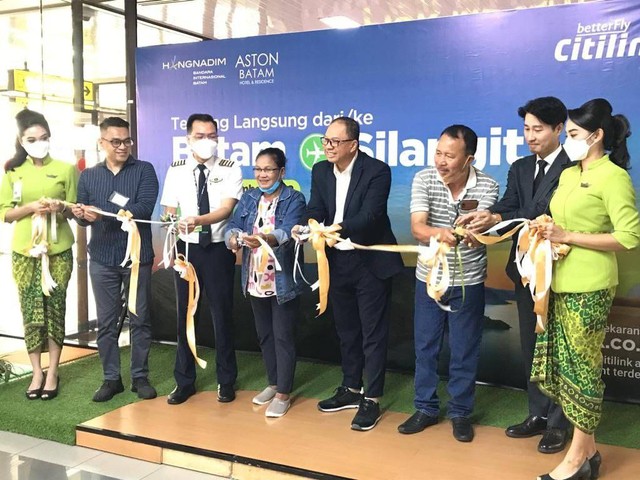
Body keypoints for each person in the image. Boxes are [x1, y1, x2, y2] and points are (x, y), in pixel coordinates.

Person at [532, 99, 639, 480]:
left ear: (596, 136)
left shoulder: (614, 177)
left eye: (574, 134)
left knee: (583, 370)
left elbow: (630, 236)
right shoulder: (567, 174)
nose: (569, 140)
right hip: (557, 282)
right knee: (564, 368)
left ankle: (576, 459)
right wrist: (548, 228)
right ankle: (589, 452)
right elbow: (563, 220)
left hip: (591, 286)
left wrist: (569, 235)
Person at [457, 97, 572, 453]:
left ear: (558, 129)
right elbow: (510, 207)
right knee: (531, 346)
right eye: (526, 129)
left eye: (538, 129)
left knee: (557, 349)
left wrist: (502, 217)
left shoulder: (575, 167)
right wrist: (488, 217)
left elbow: (543, 211)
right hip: (524, 269)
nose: (531, 136)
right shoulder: (520, 167)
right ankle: (537, 413)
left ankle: (559, 422)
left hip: (560, 271)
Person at [292, 116, 404, 431]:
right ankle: (351, 388)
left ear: (352, 145)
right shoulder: (320, 170)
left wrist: (333, 228)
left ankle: (373, 398)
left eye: (334, 142)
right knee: (346, 331)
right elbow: (315, 207)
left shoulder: (377, 170)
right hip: (336, 262)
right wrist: (309, 225)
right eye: (325, 140)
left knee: (372, 333)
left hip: (369, 260)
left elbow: (370, 216)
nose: (327, 146)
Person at [397, 125, 498, 442]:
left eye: (449, 156)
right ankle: (425, 408)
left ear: (468, 158)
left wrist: (473, 233)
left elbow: (481, 234)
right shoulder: (424, 179)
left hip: (468, 280)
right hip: (429, 278)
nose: (441, 161)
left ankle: (460, 413)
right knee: (425, 347)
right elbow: (417, 227)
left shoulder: (488, 186)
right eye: (438, 152)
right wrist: (439, 234)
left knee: (465, 349)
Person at [72, 117, 159, 402]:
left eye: (127, 140)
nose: (123, 146)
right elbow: (84, 218)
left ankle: (139, 377)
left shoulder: (144, 170)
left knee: (140, 318)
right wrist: (81, 215)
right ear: (102, 143)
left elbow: (144, 208)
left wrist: (101, 211)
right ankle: (111, 379)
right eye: (116, 141)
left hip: (136, 257)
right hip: (102, 258)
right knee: (107, 323)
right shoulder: (88, 176)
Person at [160, 113, 242, 405]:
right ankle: (184, 381)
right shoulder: (176, 169)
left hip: (217, 249)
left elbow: (226, 210)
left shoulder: (230, 168)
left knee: (222, 315)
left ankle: (226, 379)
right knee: (185, 315)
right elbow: (168, 209)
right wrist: (171, 221)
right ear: (188, 139)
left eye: (212, 136)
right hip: (187, 250)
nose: (207, 141)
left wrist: (198, 220)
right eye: (200, 136)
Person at [0, 109, 77, 401]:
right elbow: (4, 213)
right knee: (30, 310)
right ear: (21, 140)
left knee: (55, 307)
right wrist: (32, 207)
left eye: (44, 137)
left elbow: (75, 209)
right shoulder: (12, 171)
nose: (39, 142)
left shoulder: (66, 168)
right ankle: (36, 372)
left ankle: (54, 371)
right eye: (32, 138)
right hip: (25, 251)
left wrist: (61, 207)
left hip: (58, 250)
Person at [225, 147, 306, 417]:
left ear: (281, 172)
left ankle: (284, 393)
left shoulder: (294, 198)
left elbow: (289, 232)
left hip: (281, 280)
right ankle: (273, 383)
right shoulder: (248, 198)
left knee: (283, 336)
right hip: (254, 278)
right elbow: (232, 227)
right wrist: (234, 239)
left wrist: (265, 239)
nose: (262, 174)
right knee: (265, 335)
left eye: (268, 169)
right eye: (258, 169)